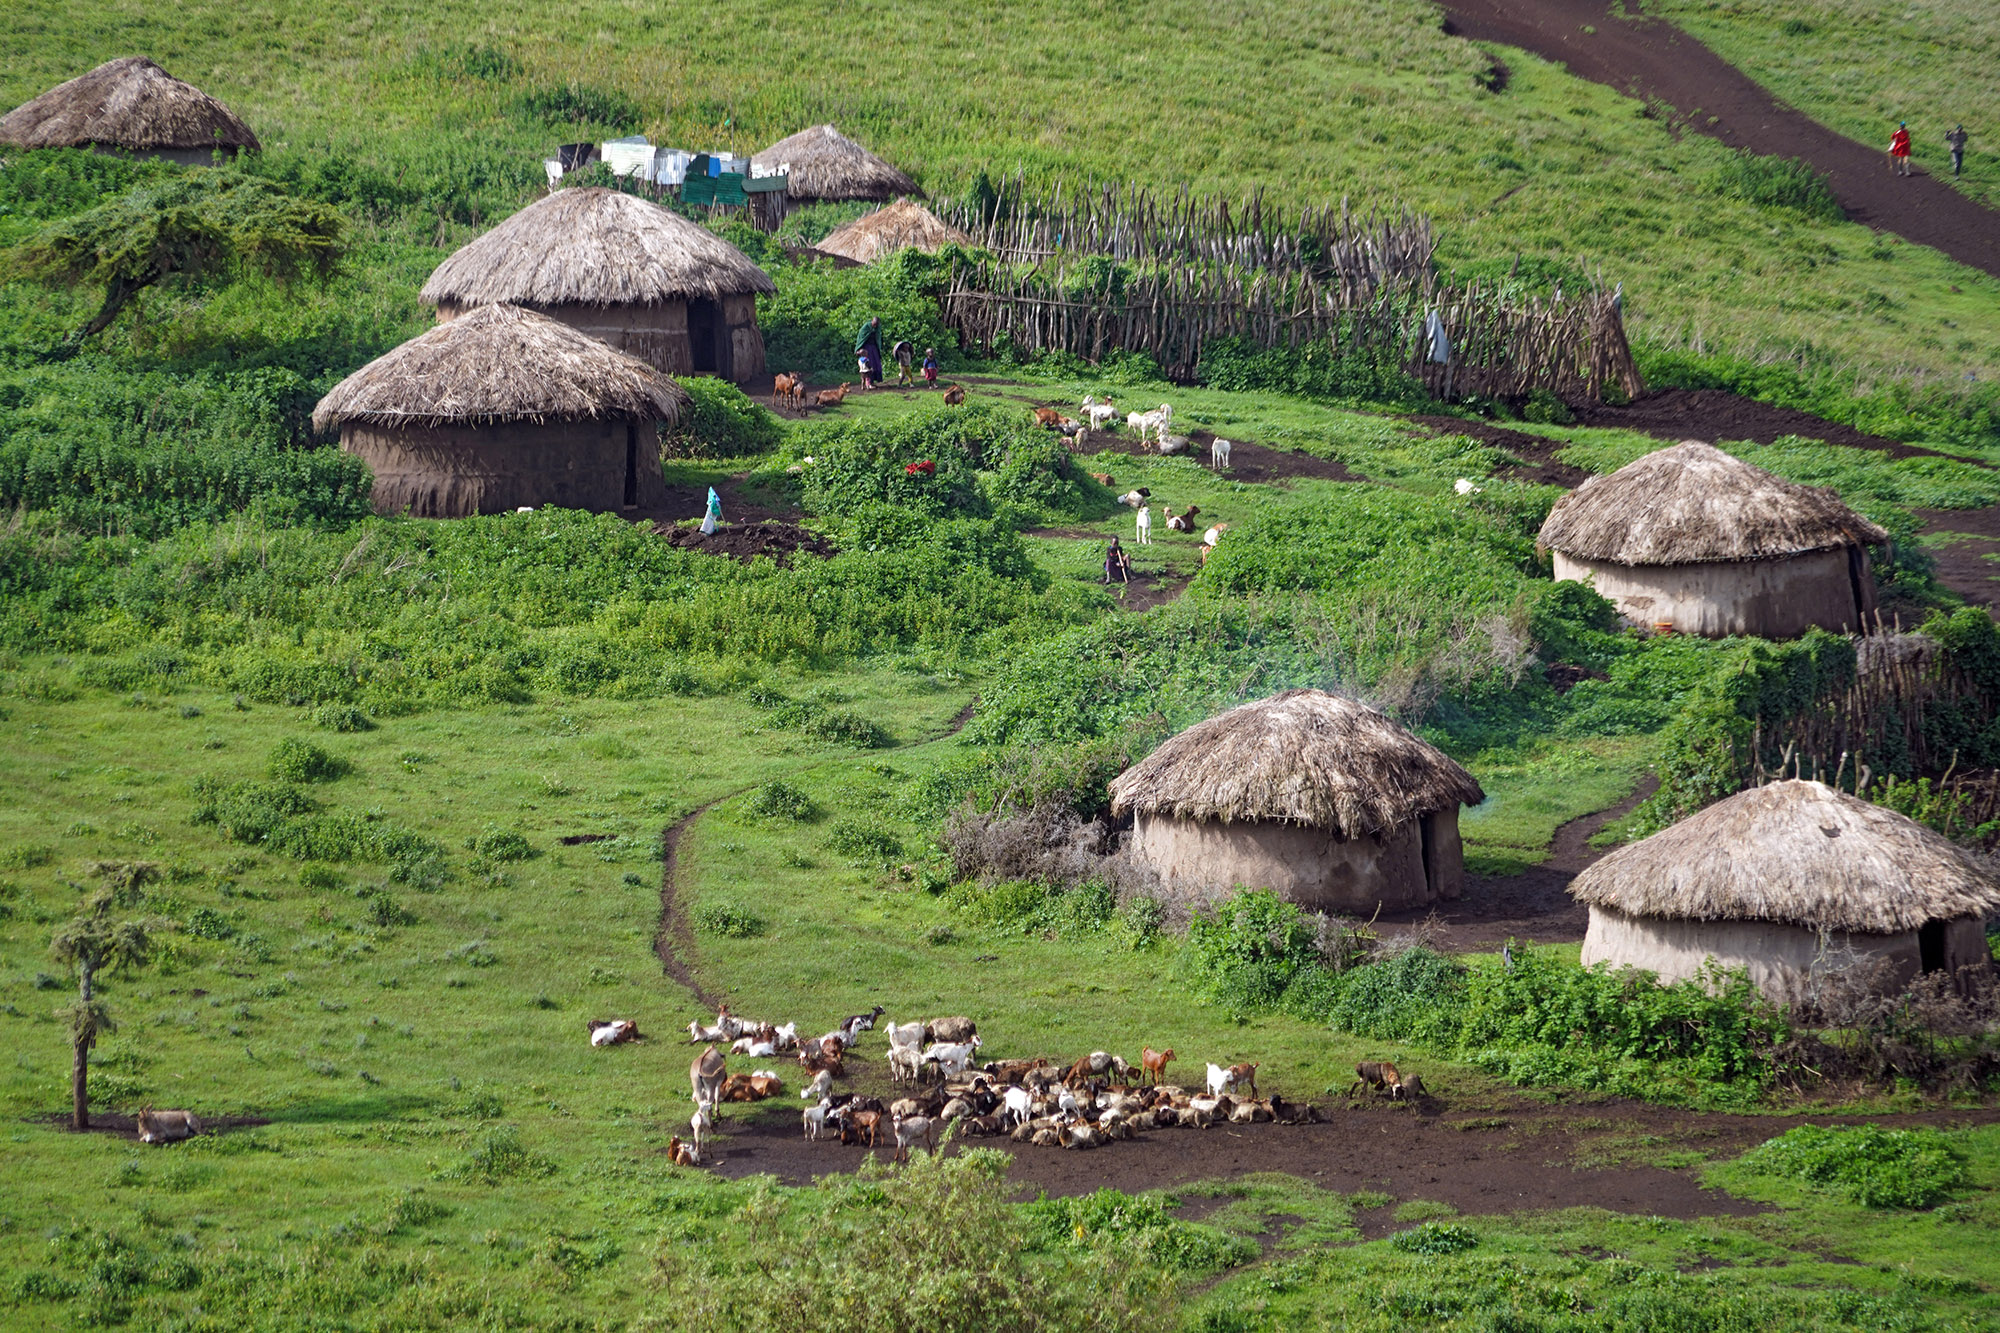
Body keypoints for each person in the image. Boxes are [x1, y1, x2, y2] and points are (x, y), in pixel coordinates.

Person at [854, 316, 882, 390]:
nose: (875, 326)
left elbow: (878, 338)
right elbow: (861, 338)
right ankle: (868, 383)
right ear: (872, 321)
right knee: (868, 364)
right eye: (874, 324)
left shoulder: (878, 328)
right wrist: (859, 349)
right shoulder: (866, 327)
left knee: (876, 364)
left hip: (874, 347)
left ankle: (872, 382)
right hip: (866, 348)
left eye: (876, 324)